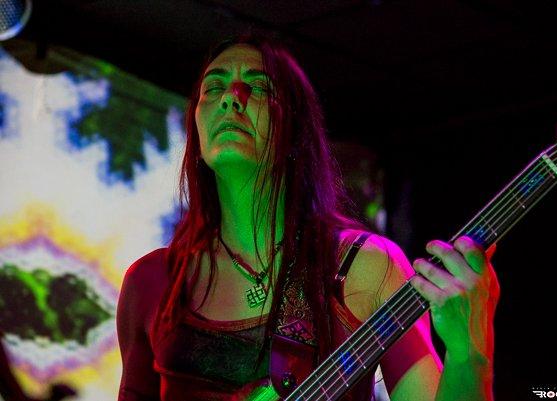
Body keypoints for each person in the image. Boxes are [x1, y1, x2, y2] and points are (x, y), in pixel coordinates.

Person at [116, 34, 500, 401]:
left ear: (295, 131)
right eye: (213, 87)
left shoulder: (364, 267)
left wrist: (470, 354)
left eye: (260, 87)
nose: (231, 98)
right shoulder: (151, 281)